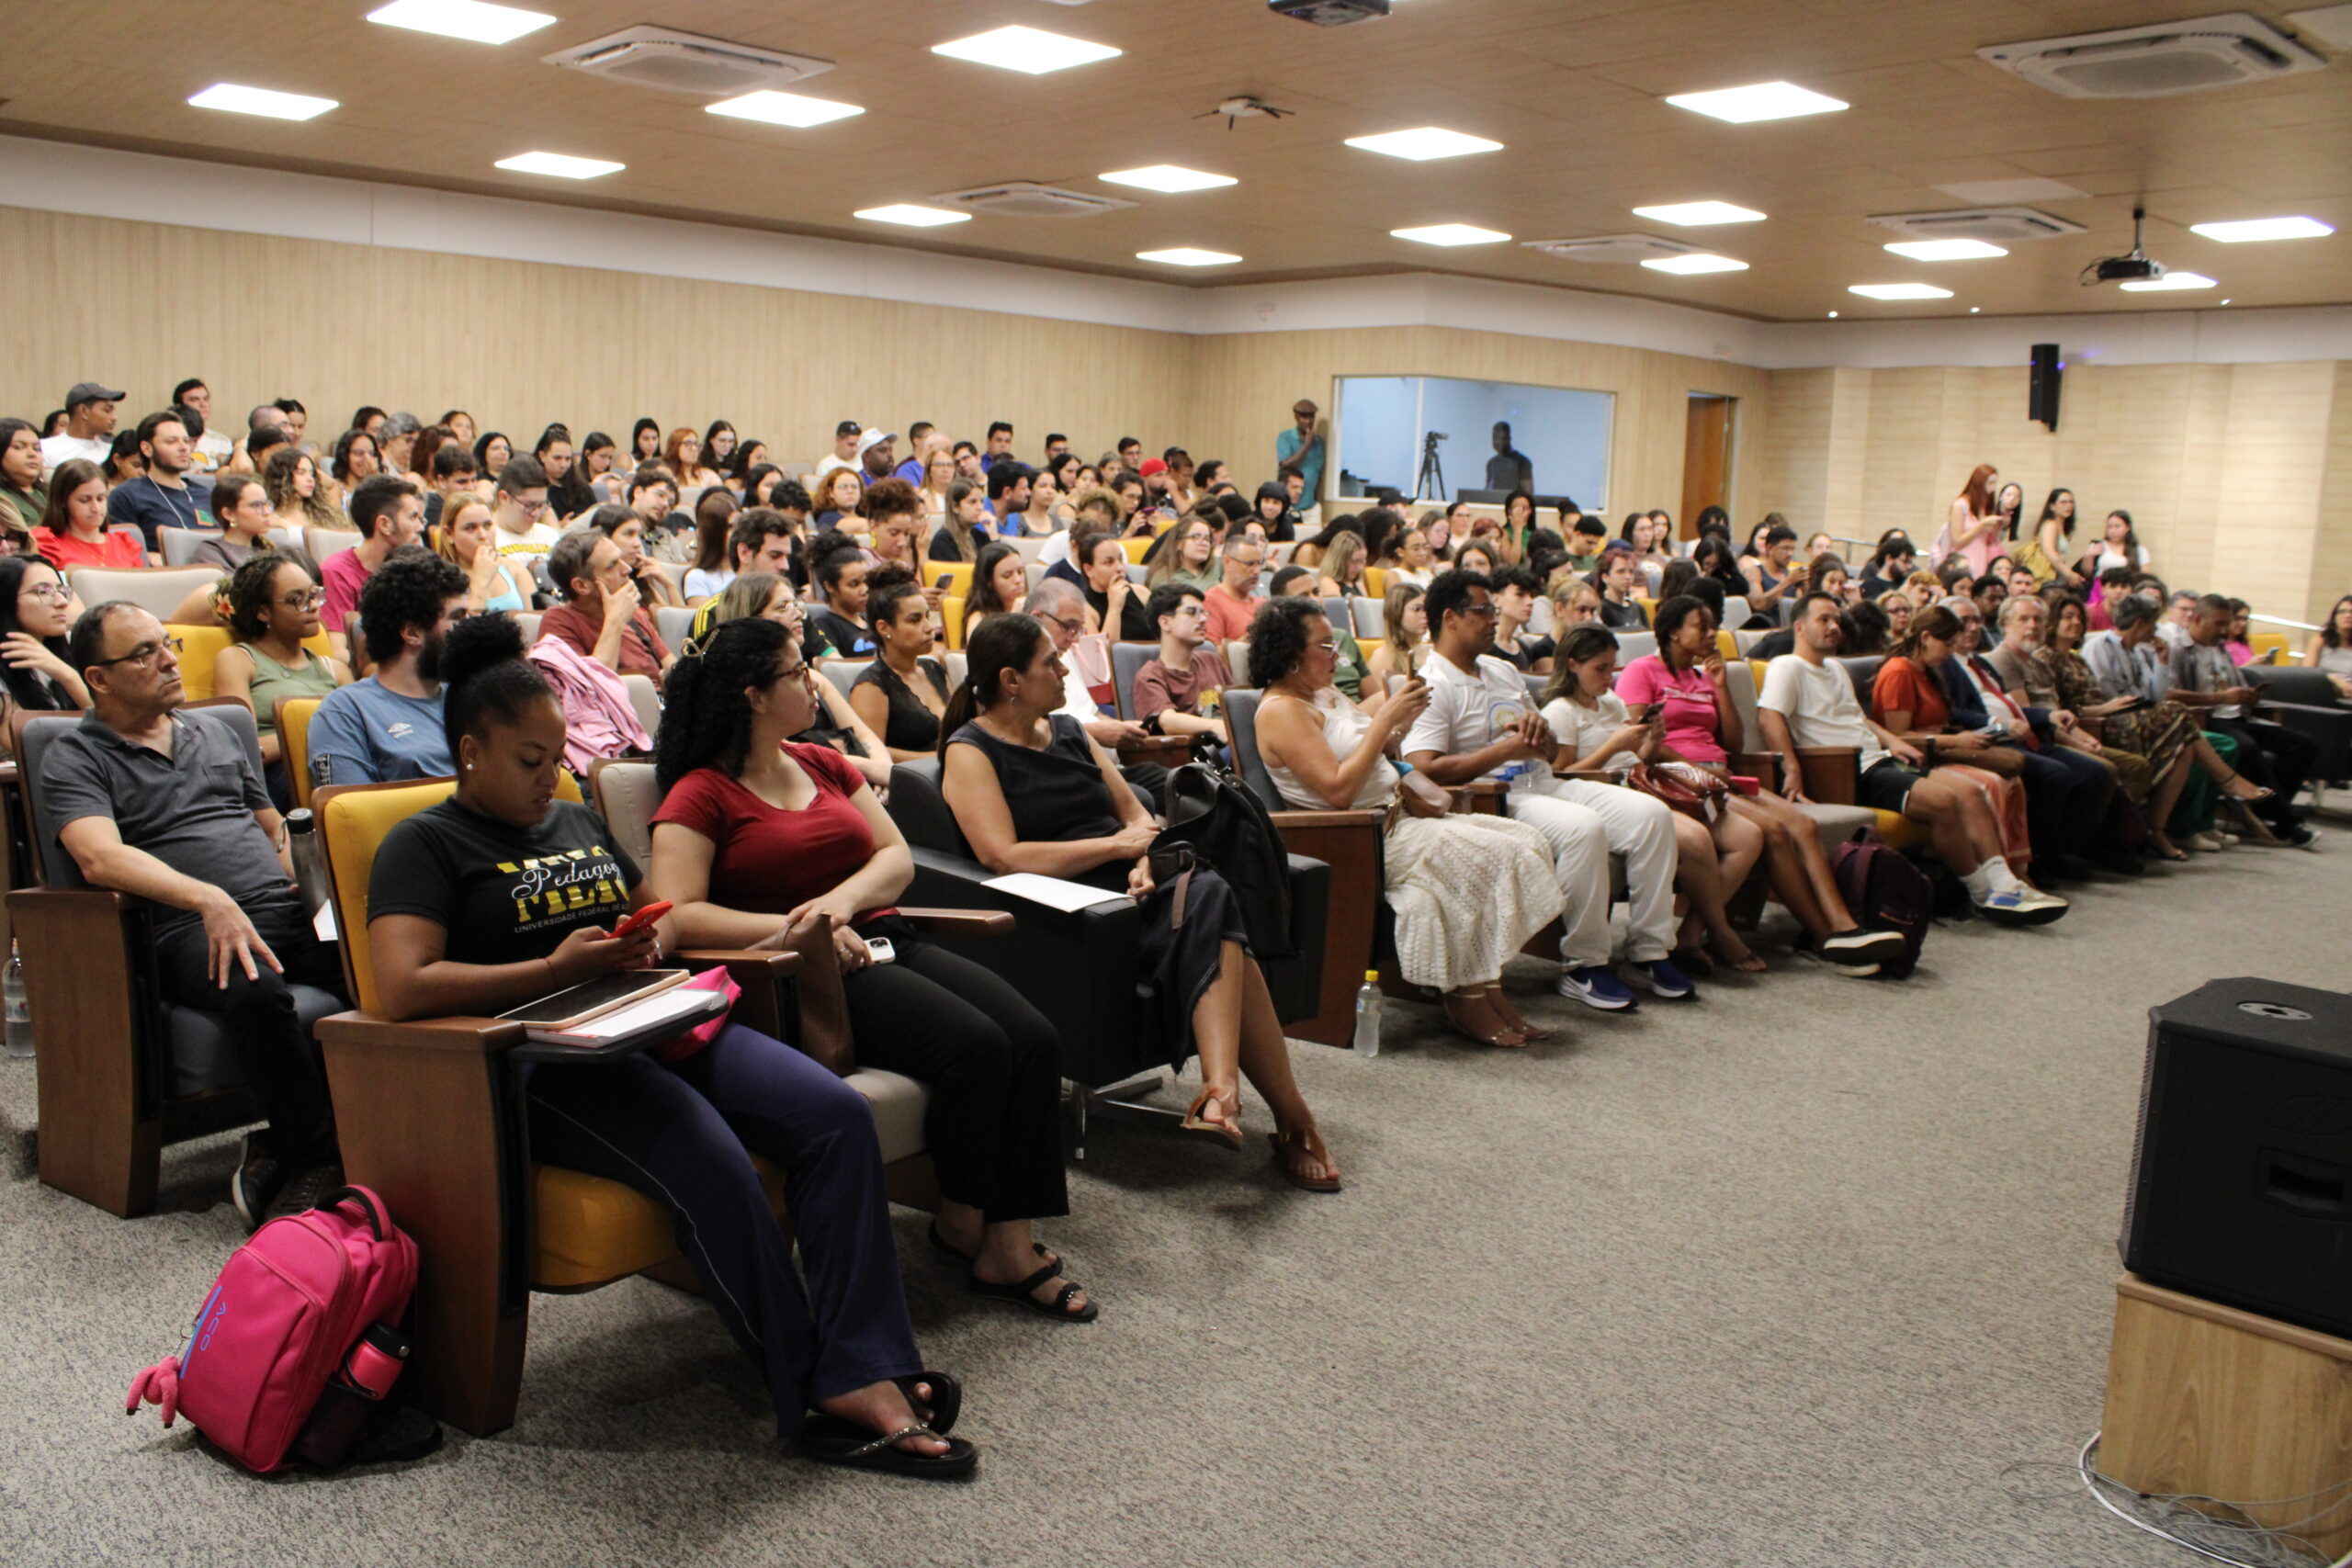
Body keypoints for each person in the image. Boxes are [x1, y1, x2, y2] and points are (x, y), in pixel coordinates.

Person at [366, 614, 973, 1473]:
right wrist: (551, 968)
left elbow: (655, 908)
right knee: (714, 1161)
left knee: (836, 1116)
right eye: (530, 761)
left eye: (557, 758)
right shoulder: (424, 843)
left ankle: (862, 1359)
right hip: (547, 1064)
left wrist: (647, 933)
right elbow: (401, 985)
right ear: (470, 751)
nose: (551, 777)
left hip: (653, 1018)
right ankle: (818, 1386)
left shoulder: (571, 821)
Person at [648, 616, 1087, 1324]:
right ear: (753, 695)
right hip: (804, 973)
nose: (814, 681)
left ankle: (998, 1235)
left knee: (1034, 1036)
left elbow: (896, 857)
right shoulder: (702, 792)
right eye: (797, 672)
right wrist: (805, 927)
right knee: (978, 1046)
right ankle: (973, 1225)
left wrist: (841, 903)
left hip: (882, 938)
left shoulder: (821, 761)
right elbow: (680, 913)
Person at [941, 613, 1340, 1190]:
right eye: (1051, 663)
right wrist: (1116, 847)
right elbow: (1003, 855)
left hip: (1133, 882)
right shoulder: (971, 750)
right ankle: (1280, 1113)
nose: (1064, 671)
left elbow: (1136, 813)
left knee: (1206, 892)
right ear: (1011, 680)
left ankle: (1223, 1094)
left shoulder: (1070, 731)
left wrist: (1145, 856)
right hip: (1069, 904)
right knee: (1216, 912)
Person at [50, 600, 348, 1223]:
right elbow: (99, 858)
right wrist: (207, 897)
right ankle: (317, 1158)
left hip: (279, 905)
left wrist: (311, 884)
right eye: (145, 653)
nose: (168, 660)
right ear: (99, 678)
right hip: (185, 926)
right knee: (254, 989)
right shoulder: (74, 756)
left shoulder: (215, 731)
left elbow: (270, 825)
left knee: (373, 959)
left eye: (168, 644)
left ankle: (338, 1136)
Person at [1253, 597, 1563, 1044]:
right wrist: (1383, 722)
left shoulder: (1325, 693)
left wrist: (1398, 726)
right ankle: (1467, 997)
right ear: (1291, 653)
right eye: (1325, 646)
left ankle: (1486, 986)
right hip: (1358, 839)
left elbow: (1373, 757)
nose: (1336, 655)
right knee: (1494, 853)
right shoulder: (1281, 710)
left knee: (1524, 838)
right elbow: (1338, 791)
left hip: (1399, 819)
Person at [1402, 569, 1691, 1009]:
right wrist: (1507, 750)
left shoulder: (1501, 670)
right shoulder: (1433, 683)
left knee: (1651, 815)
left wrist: (1541, 734)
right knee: (1582, 827)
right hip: (1493, 799)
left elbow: (1551, 750)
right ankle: (1584, 965)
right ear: (1450, 618)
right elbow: (1424, 769)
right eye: (1483, 610)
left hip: (1543, 780)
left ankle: (1649, 953)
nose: (1493, 619)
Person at [1759, 594, 2063, 923]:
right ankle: (1982, 893)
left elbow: (1860, 719)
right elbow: (1769, 716)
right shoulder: (1787, 666)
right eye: (1823, 620)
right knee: (1944, 801)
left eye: (1836, 620)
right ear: (1800, 627)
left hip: (1879, 757)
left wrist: (1893, 742)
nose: (1834, 627)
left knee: (1972, 793)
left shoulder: (1834, 667)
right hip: (1849, 769)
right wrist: (1790, 766)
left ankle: (2005, 884)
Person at [695, 572, 890, 789]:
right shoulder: (747, 693)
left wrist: (884, 772)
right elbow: (785, 755)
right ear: (750, 619)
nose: (798, 614)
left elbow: (864, 735)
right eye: (782, 607)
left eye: (796, 605)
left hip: (851, 781)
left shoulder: (815, 678)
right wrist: (865, 768)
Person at [306, 547, 465, 786]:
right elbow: (350, 807)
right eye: (458, 617)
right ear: (412, 633)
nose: (468, 627)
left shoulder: (468, 697)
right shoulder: (344, 712)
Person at [2168, 593, 2318, 847]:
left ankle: (2266, 809)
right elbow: (2170, 694)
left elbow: (2234, 683)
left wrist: (2249, 695)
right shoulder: (2178, 649)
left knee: (2303, 744)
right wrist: (2221, 698)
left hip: (2237, 715)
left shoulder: (2219, 647)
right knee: (2246, 747)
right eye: (2219, 624)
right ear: (2199, 619)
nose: (2224, 630)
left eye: (2226, 624)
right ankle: (2288, 823)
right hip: (2206, 717)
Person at [214, 552, 350, 796]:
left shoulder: (336, 670)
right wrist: (316, 730)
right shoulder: (238, 660)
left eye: (314, 595)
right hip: (278, 779)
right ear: (263, 611)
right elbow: (243, 749)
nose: (312, 607)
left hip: (340, 766)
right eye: (297, 600)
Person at [539, 527, 674, 680]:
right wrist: (615, 620)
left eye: (621, 560)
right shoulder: (559, 622)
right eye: (612, 565)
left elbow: (672, 667)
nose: (627, 569)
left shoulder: (634, 614)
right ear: (582, 586)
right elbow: (592, 686)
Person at [849, 580, 952, 761]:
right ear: (884, 628)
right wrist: (938, 758)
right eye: (915, 620)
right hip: (910, 775)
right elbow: (870, 752)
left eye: (927, 617)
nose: (929, 628)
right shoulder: (871, 685)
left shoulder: (933, 668)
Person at [322, 474, 424, 637]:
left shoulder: (417, 566)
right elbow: (338, 647)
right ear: (385, 524)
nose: (420, 527)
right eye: (413, 517)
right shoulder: (337, 573)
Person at [1131, 583, 1231, 743]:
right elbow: (1167, 721)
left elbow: (1235, 704)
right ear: (1165, 623)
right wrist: (1215, 726)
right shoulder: (1150, 675)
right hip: (1189, 754)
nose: (1203, 619)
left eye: (1204, 613)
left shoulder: (1211, 660)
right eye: (1192, 612)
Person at [0, 554, 90, 718]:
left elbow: (117, 726)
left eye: (61, 591)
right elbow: (20, 733)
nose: (62, 602)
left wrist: (68, 676)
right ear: (6, 599)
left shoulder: (73, 650)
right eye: (43, 592)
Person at [99, 412, 199, 551]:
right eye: (171, 441)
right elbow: (125, 552)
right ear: (147, 449)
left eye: (186, 441)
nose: (183, 447)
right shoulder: (127, 495)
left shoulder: (207, 494)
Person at [33, 459, 143, 570]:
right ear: (63, 501)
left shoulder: (124, 544)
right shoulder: (49, 544)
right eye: (85, 500)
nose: (96, 508)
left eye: (100, 499)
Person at [435, 495, 533, 615]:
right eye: (471, 528)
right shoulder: (441, 579)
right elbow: (465, 623)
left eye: (487, 525)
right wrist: (481, 581)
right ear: (449, 534)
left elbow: (534, 619)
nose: (483, 535)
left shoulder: (514, 568)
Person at [585, 502, 686, 611]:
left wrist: (669, 585)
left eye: (638, 535)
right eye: (629, 534)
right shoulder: (597, 583)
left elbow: (677, 619)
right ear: (605, 537)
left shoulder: (637, 576)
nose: (638, 543)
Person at [189, 473, 277, 571]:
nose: (266, 512)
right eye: (256, 505)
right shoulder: (211, 552)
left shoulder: (272, 549)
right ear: (229, 514)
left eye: (267, 504)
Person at [808, 538, 876, 658]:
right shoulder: (824, 625)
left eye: (866, 581)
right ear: (830, 587)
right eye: (854, 584)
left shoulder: (872, 620)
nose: (865, 590)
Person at [39, 382, 121, 475]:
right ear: (84, 411)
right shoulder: (46, 448)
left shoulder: (112, 452)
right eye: (107, 410)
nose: (115, 417)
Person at [1200, 535, 1266, 645]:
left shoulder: (1262, 604)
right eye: (1249, 564)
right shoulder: (1210, 601)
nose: (1256, 571)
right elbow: (1212, 651)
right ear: (1227, 562)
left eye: (1259, 563)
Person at [265, 446, 340, 534]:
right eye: (301, 473)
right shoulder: (273, 521)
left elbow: (333, 484)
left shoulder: (321, 516)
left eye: (311, 474)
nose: (310, 479)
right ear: (284, 477)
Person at [1366, 581, 1429, 689]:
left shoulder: (1433, 650)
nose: (1425, 615)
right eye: (1417, 609)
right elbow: (1381, 697)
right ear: (1396, 612)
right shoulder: (1382, 657)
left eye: (1427, 609)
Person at [0, 418, 49, 539]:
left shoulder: (53, 490)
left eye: (37, 448)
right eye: (19, 447)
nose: (32, 454)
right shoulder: (3, 498)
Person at [930, 479, 990, 563]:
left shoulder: (981, 536)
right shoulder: (943, 541)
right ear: (955, 507)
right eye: (972, 502)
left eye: (981, 501)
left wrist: (993, 536)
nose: (980, 507)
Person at [2077, 511, 2149, 580]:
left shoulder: (2139, 550)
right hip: (2101, 586)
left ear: (2127, 528)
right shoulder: (2098, 546)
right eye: (2110, 527)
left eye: (2117, 526)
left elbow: (2144, 577)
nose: (2113, 531)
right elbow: (2087, 574)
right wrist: (2088, 556)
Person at [2305, 593, 2352, 698]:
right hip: (2325, 688)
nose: (2348, 615)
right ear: (2334, 617)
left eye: (2351, 612)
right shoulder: (2320, 639)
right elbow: (2308, 671)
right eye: (2342, 612)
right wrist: (2336, 680)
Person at [1594, 549, 1649, 630]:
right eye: (1621, 572)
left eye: (1631, 572)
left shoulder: (1638, 608)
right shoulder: (1601, 609)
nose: (1628, 576)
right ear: (1606, 577)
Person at [1485, 423, 1532, 492]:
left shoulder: (1522, 461)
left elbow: (1528, 491)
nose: (1497, 442)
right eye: (1495, 438)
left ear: (1509, 439)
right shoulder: (1491, 463)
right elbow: (1488, 489)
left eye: (1500, 438)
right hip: (1494, 499)